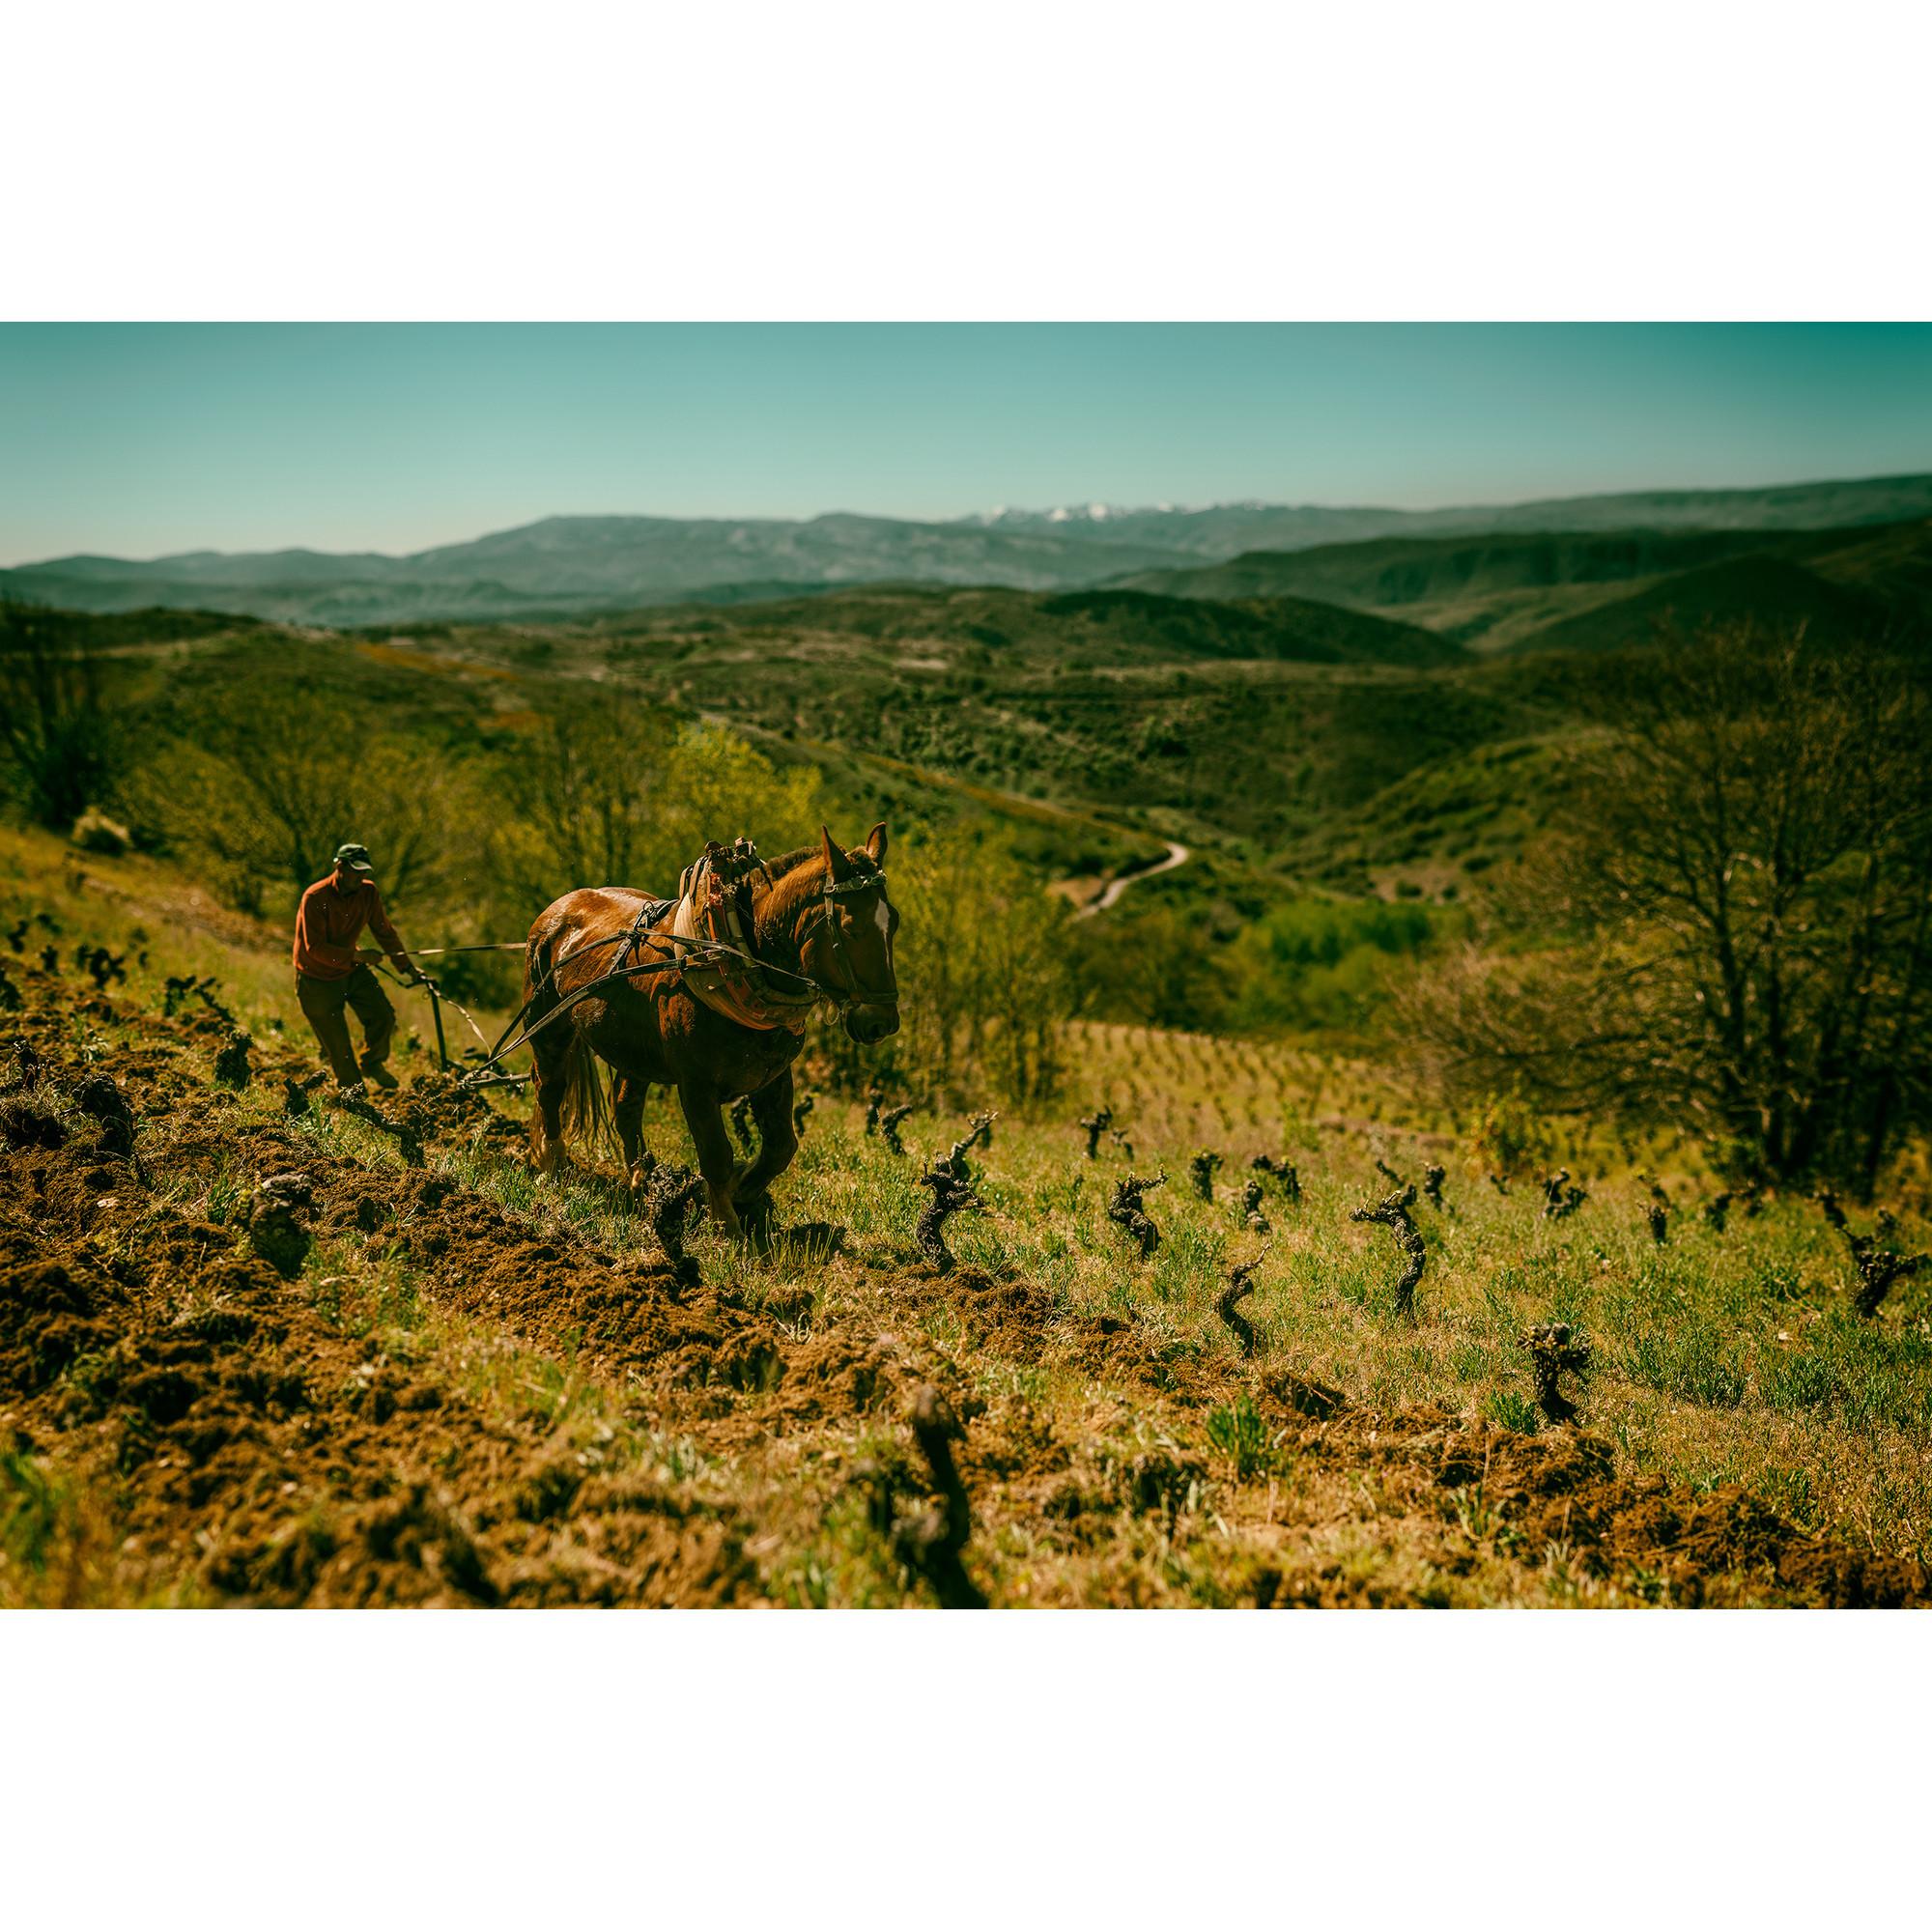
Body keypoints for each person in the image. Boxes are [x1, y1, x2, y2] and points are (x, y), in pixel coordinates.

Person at [292, 841, 421, 1092]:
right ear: (340, 866)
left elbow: (385, 932)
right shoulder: (315, 897)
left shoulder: (368, 892)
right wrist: (359, 957)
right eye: (355, 871)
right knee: (340, 1051)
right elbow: (315, 949)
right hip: (316, 979)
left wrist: (406, 967)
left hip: (351, 970)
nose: (360, 877)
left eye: (364, 872)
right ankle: (355, 1102)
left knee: (383, 1016)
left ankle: (373, 1063)